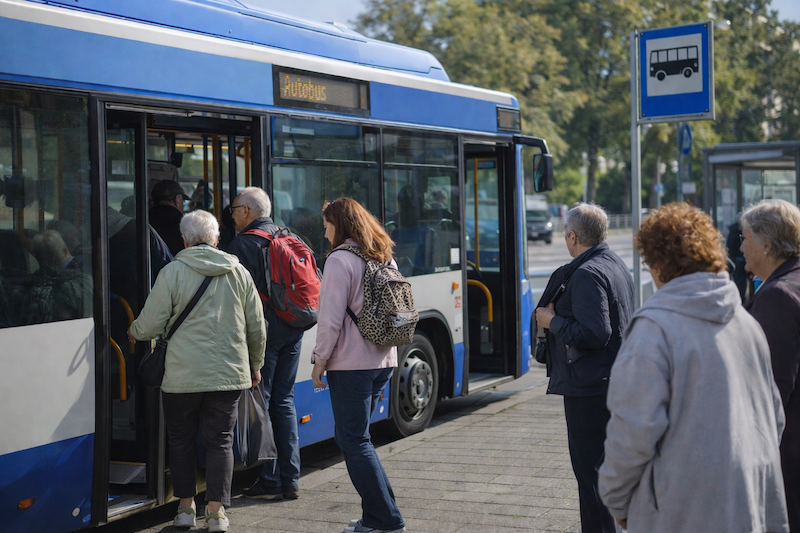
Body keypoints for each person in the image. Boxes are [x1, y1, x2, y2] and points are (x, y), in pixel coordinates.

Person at [598, 202, 788, 533]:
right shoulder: (745, 320)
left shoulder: (653, 329)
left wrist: (616, 499)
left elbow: (631, 432)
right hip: (747, 504)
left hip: (677, 510)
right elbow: (774, 416)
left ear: (658, 264)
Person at [127, 210, 266, 532]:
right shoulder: (239, 273)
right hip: (228, 374)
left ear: (185, 240)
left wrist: (134, 330)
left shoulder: (172, 272)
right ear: (217, 239)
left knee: (180, 441)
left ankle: (186, 508)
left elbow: (149, 324)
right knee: (220, 442)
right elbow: (257, 326)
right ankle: (217, 513)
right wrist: (255, 364)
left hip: (181, 376)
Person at [534, 202, 633, 533]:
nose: (565, 238)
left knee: (591, 474)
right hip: (610, 380)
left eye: (565, 233)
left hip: (589, 386)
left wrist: (553, 321)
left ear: (573, 236)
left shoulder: (587, 273)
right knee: (605, 470)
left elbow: (595, 332)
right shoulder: (615, 263)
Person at [311, 197, 405, 533]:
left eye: (327, 226)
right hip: (384, 360)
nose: (325, 234)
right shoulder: (382, 255)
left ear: (340, 225)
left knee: (353, 441)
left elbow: (330, 319)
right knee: (359, 440)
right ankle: (377, 515)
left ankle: (387, 519)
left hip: (351, 364)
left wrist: (319, 361)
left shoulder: (339, 260)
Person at [230, 187, 305, 501]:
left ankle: (271, 479)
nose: (231, 214)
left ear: (247, 211)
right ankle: (290, 479)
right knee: (284, 403)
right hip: (294, 329)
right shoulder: (291, 236)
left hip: (265, 336)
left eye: (234, 208)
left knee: (264, 405)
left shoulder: (242, 245)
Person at [741, 199, 800, 532]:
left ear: (765, 244)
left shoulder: (777, 296)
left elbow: (769, 393)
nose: (740, 247)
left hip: (787, 458)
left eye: (745, 237)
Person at [149, 179, 186, 256]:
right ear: (177, 200)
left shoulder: (144, 222)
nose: (183, 205)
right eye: (183, 201)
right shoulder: (186, 224)